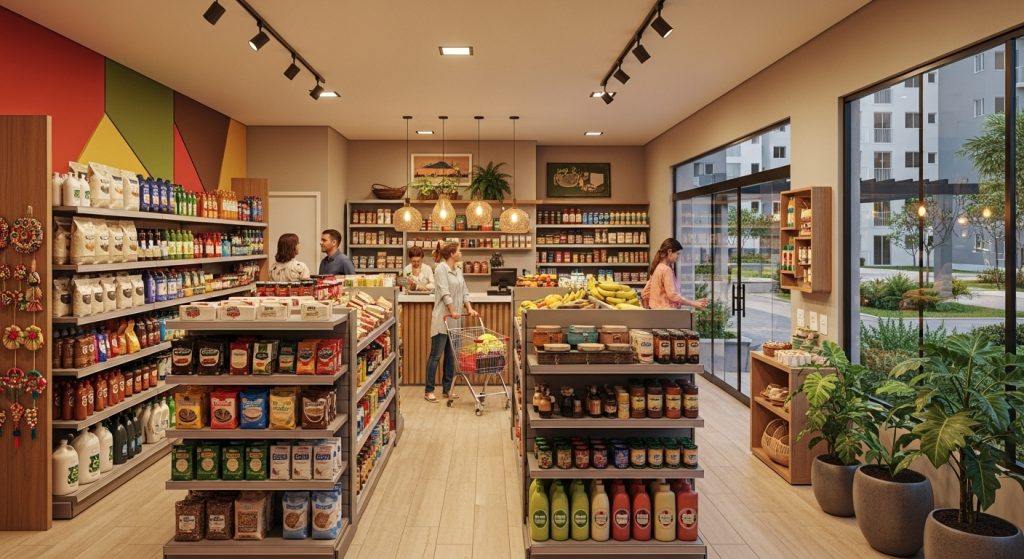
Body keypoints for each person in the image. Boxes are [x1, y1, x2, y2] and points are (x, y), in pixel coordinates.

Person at [425, 241, 478, 402]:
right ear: (451, 254)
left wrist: (469, 308)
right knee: (436, 355)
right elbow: (444, 291)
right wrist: (453, 310)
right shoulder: (441, 268)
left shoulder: (458, 270)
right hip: (443, 318)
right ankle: (429, 390)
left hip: (455, 321)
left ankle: (447, 389)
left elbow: (465, 292)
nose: (461, 253)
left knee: (451, 356)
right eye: (459, 250)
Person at [642, 238, 709, 310]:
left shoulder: (658, 267)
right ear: (670, 252)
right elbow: (672, 296)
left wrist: (694, 302)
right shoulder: (666, 270)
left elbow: (645, 293)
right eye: (677, 254)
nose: (678, 257)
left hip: (657, 314)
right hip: (668, 315)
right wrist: (693, 303)